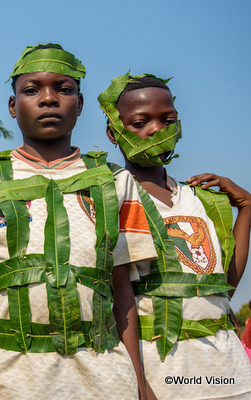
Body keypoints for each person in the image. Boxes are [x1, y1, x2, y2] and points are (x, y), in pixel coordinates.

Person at [0, 43, 157, 400]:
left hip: (105, 377)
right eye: (31, 90)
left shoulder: (114, 181)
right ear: (12, 106)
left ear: (80, 105)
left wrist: (140, 382)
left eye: (64, 89)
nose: (48, 99)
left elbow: (122, 286)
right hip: (9, 376)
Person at [99, 72, 251, 399]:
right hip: (164, 373)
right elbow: (116, 303)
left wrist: (247, 208)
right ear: (113, 133)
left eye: (167, 121)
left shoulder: (199, 199)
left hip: (232, 372)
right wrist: (139, 385)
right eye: (140, 123)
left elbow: (222, 286)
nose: (156, 130)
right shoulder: (112, 199)